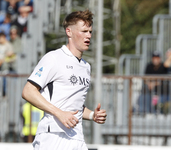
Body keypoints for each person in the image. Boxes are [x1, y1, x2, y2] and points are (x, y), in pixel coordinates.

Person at [22, 10, 107, 150]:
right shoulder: (53, 58)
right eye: (84, 31)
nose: (88, 36)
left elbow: (75, 107)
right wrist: (59, 113)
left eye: (90, 31)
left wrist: (93, 115)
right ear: (69, 32)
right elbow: (28, 91)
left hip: (77, 137)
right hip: (53, 136)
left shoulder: (86, 67)